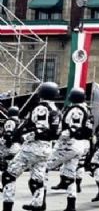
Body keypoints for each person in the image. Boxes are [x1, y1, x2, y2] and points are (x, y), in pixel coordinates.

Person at [2, 82, 61, 211]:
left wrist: (23, 135)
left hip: (34, 147)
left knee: (8, 175)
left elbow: (39, 129)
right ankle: (37, 205)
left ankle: (7, 207)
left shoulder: (42, 108)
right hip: (46, 148)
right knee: (37, 179)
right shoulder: (56, 110)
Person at [47, 87, 93, 211]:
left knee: (43, 166)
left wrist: (60, 135)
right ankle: (71, 205)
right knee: (70, 175)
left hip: (69, 145)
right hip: (79, 145)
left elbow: (73, 129)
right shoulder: (86, 109)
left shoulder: (76, 110)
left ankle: (39, 200)